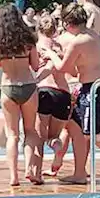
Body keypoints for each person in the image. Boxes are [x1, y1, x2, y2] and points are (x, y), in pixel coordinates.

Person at [41, 3, 100, 185]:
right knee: (78, 130)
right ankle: (79, 173)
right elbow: (78, 67)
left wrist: (50, 53)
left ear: (68, 23)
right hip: (90, 87)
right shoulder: (92, 35)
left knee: (93, 133)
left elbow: (63, 68)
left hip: (94, 88)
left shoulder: (79, 41)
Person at [0, 4, 42, 186]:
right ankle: (29, 169)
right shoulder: (28, 39)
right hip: (28, 85)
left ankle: (13, 177)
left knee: (12, 135)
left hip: (8, 87)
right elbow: (35, 65)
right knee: (30, 131)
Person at [34, 13, 71, 175]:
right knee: (55, 135)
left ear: (38, 29)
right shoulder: (59, 47)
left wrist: (34, 81)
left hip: (44, 90)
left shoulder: (37, 47)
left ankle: (36, 170)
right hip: (63, 93)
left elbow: (45, 68)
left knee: (39, 137)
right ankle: (57, 149)